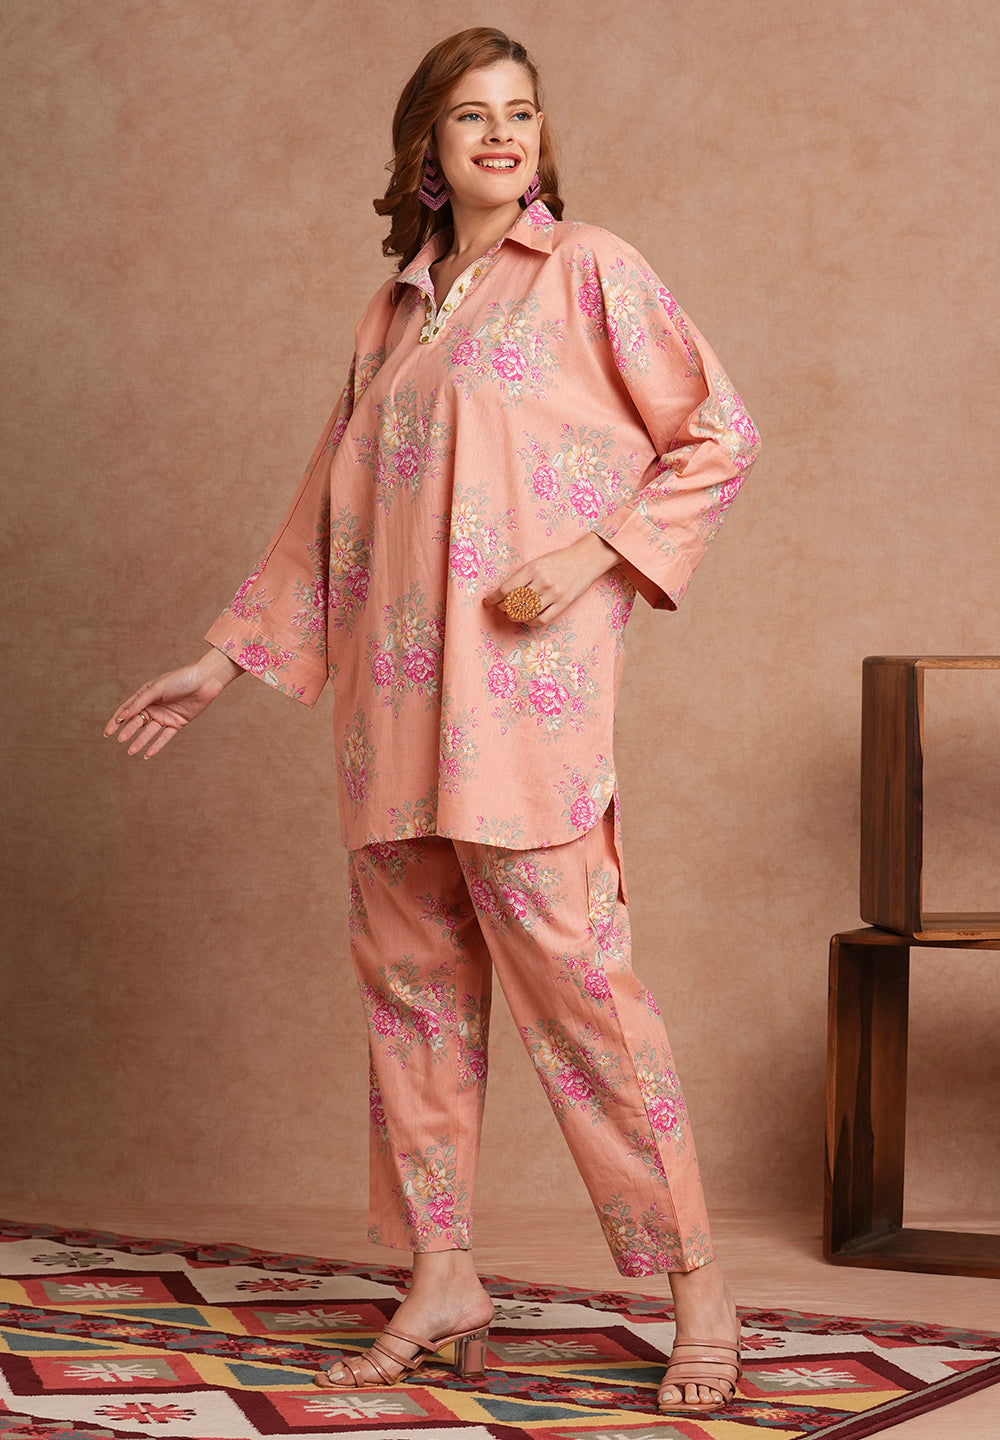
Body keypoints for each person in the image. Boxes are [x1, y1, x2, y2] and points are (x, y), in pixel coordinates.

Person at [103, 27, 759, 1413]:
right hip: (390, 713)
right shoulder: (395, 315)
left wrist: (591, 557)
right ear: (427, 146)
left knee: (583, 996)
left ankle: (698, 1283)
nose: (504, 134)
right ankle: (444, 1274)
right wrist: (219, 664)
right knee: (411, 996)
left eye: (522, 111)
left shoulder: (589, 270)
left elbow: (717, 434)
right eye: (473, 114)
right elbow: (322, 510)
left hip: (523, 709)